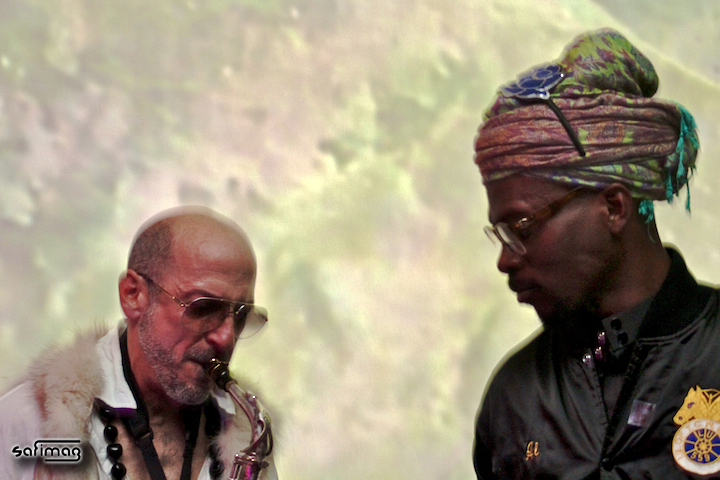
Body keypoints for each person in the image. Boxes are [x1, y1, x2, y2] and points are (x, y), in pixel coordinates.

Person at [472, 28, 720, 479]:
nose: (505, 260)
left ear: (613, 208)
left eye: (521, 228)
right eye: (500, 235)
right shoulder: (514, 399)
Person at [0, 207, 277, 480]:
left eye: (241, 315)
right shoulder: (28, 419)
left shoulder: (249, 432)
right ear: (133, 295)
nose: (226, 337)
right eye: (203, 308)